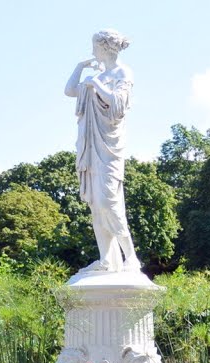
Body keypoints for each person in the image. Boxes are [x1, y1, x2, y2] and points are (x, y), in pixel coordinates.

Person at [64, 29, 141, 273]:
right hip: (91, 145)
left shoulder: (122, 72)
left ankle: (131, 258)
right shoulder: (97, 74)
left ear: (105, 47)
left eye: (95, 46)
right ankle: (106, 258)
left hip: (109, 147)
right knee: (97, 205)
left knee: (110, 202)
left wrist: (95, 83)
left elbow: (117, 106)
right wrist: (80, 67)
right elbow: (69, 90)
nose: (92, 51)